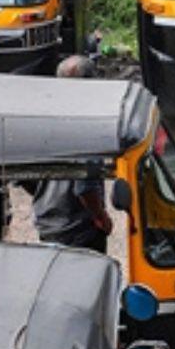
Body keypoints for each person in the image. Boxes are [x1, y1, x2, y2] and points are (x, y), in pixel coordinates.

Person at [31, 55, 113, 253]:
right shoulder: (88, 126)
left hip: (48, 227)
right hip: (79, 231)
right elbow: (84, 187)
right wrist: (101, 217)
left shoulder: (42, 123)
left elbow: (24, 175)